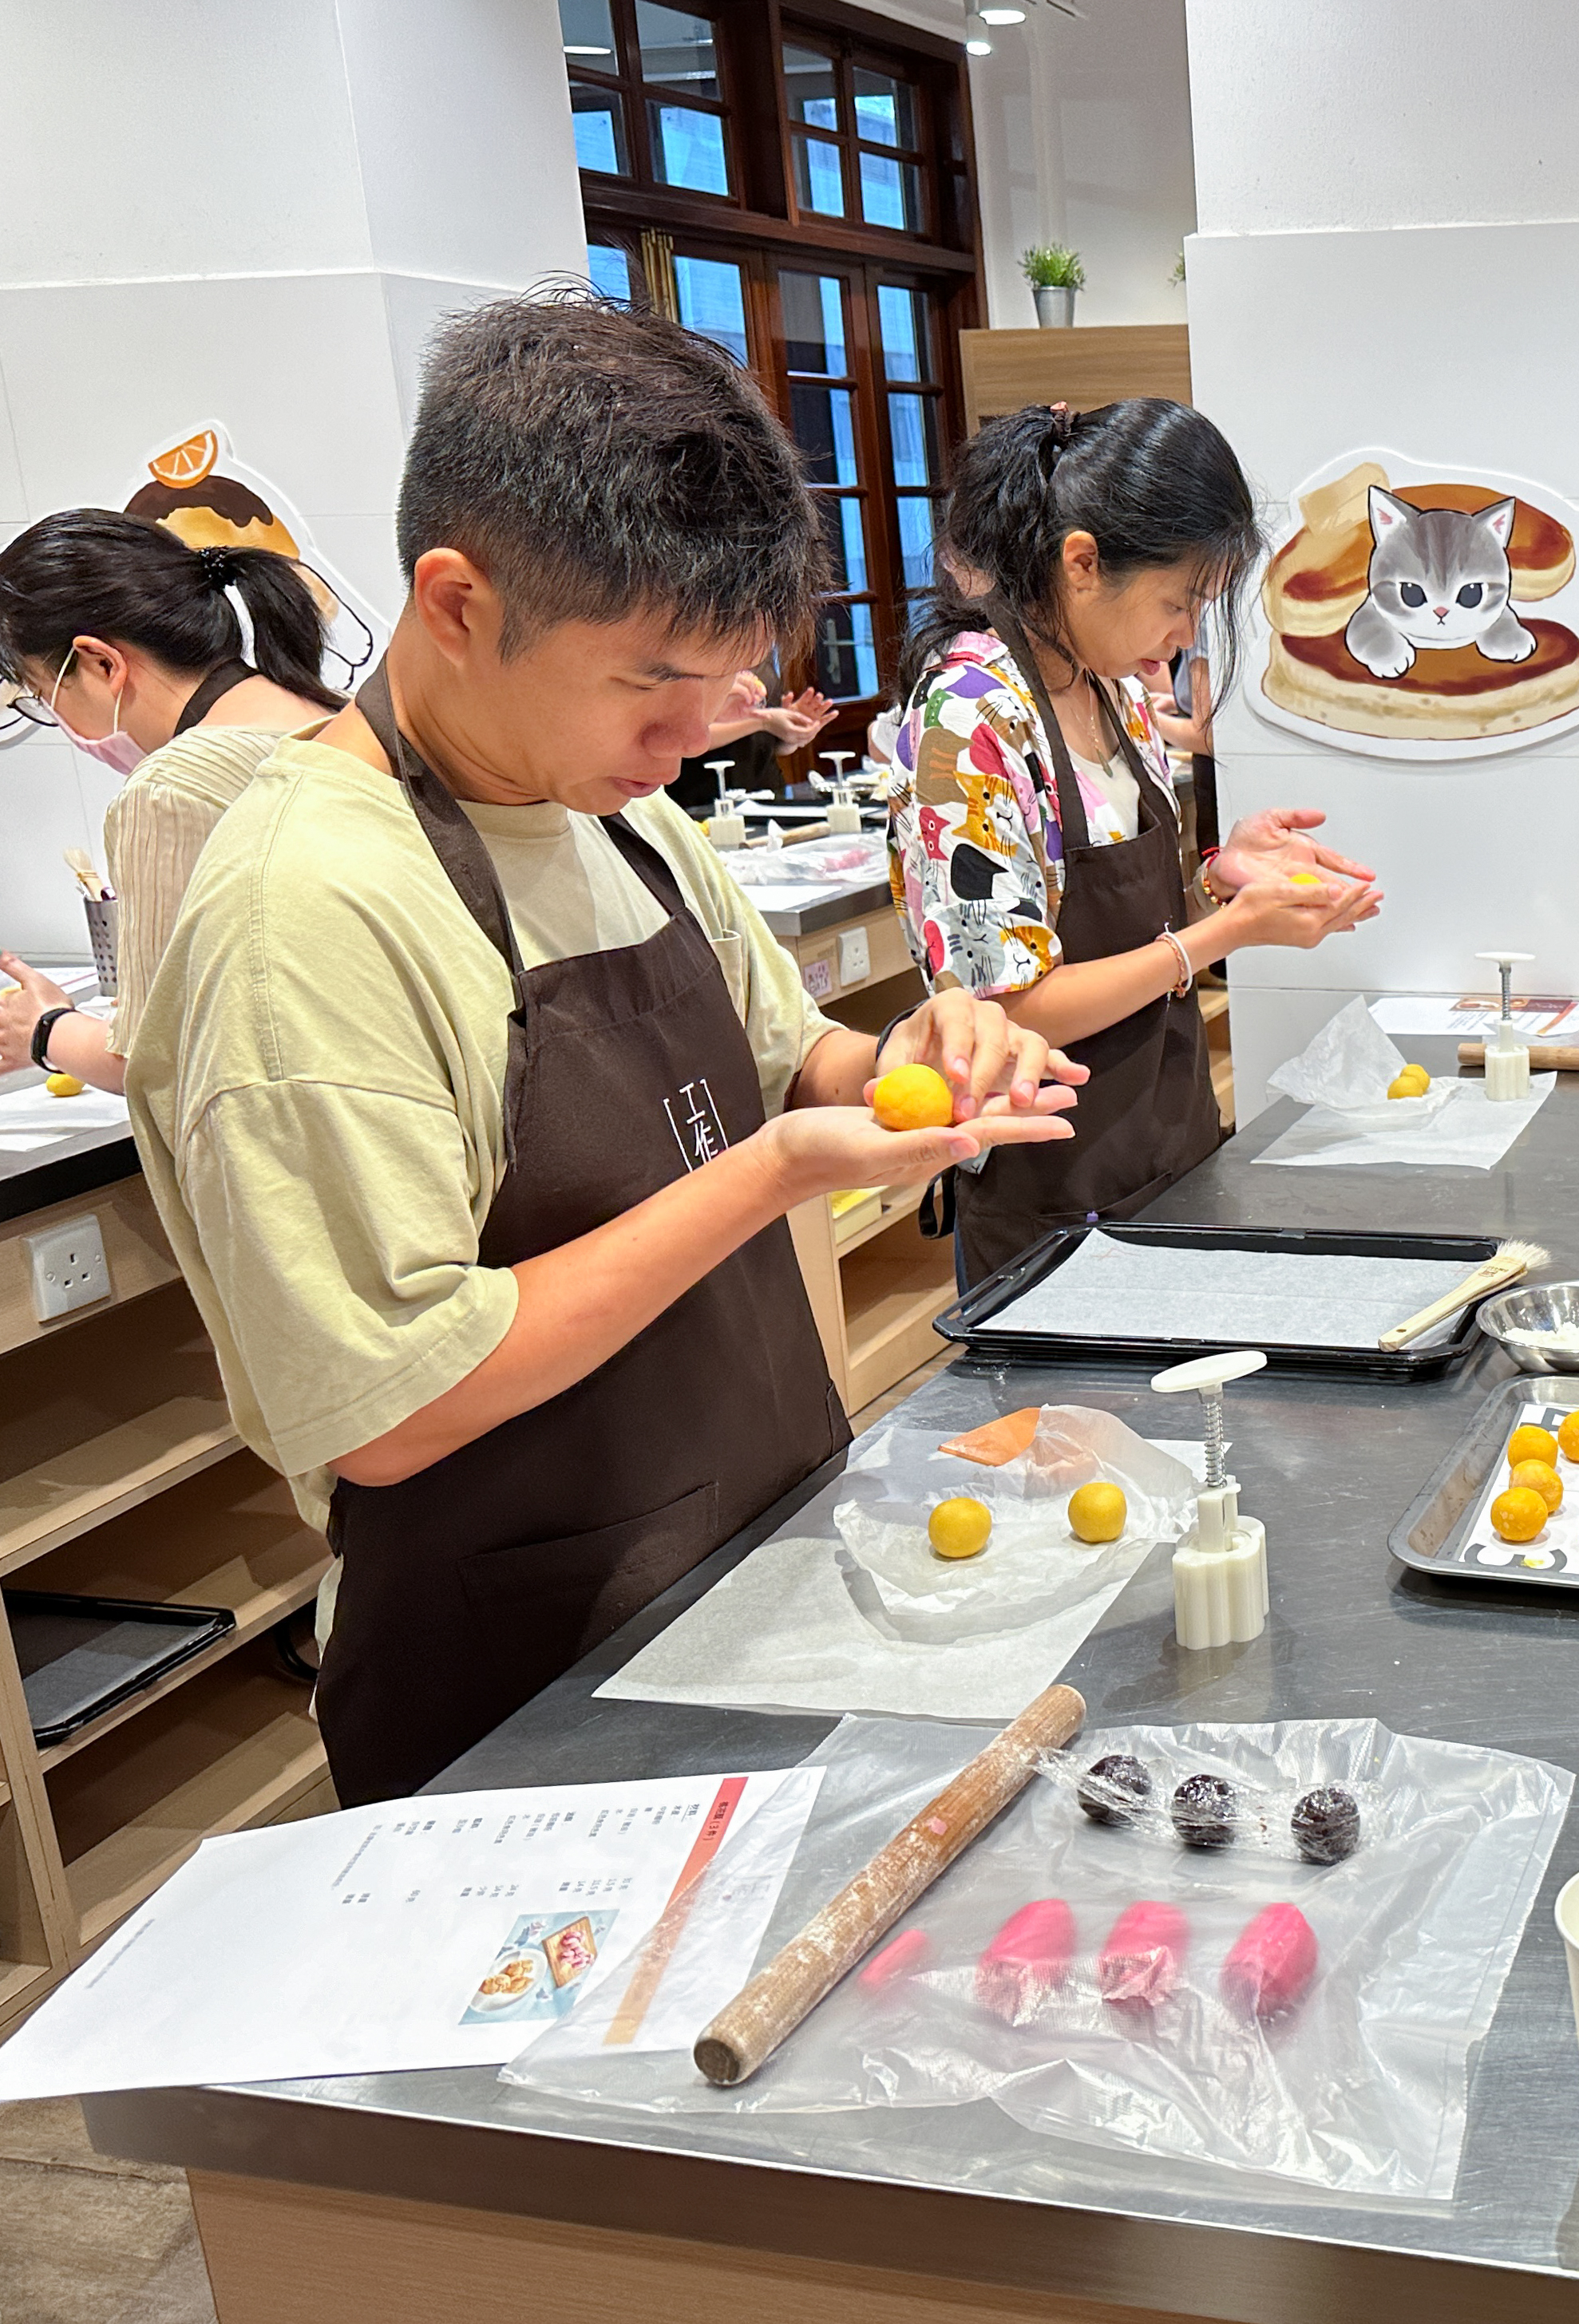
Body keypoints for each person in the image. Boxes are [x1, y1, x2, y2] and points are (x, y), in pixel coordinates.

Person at [129, 289, 1079, 1807]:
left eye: (731, 681)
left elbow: (789, 1064)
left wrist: (923, 1047)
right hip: (525, 1684)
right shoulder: (307, 903)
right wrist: (774, 1174)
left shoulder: (616, 813)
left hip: (743, 1565)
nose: (698, 732)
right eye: (653, 680)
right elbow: (389, 1408)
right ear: (456, 601)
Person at [887, 397, 1379, 1286]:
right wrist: (1221, 935)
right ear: (1083, 563)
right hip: (1053, 1196)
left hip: (1170, 1154)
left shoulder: (1113, 694)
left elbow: (1128, 926)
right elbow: (1011, 1007)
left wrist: (1220, 880)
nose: (1187, 634)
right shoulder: (968, 724)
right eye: (1178, 600)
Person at [0, 512, 344, 1091]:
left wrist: (44, 1028)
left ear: (101, 662)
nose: (57, 720)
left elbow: (157, 1062)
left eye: (41, 694)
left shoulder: (171, 789)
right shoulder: (340, 721)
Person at [672, 662, 830, 816]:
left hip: (768, 794)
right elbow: (682, 738)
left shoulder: (764, 661)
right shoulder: (691, 660)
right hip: (703, 800)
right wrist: (763, 722)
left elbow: (771, 745)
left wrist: (792, 730)